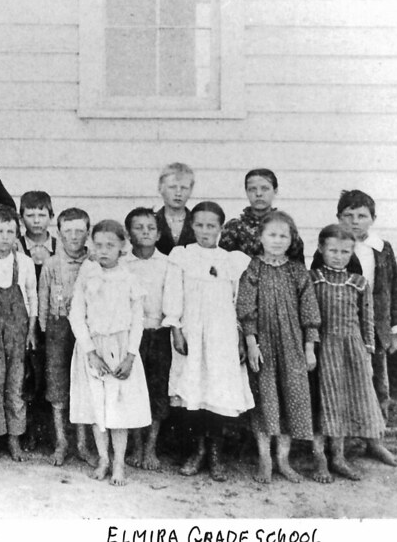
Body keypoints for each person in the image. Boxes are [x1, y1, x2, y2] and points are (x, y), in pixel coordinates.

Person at [164, 201, 254, 481]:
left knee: (216, 393)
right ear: (192, 226)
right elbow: (173, 294)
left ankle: (215, 454)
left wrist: (239, 334)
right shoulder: (181, 256)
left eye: (211, 226)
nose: (205, 231)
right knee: (193, 392)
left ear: (220, 228)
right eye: (200, 225)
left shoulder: (232, 260)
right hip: (191, 331)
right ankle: (197, 451)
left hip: (221, 335)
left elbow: (237, 301)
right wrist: (176, 328)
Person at [236, 211, 322, 484]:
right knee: (266, 402)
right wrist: (251, 344)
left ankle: (283, 461)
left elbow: (309, 312)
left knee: (291, 401)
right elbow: (246, 309)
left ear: (291, 239)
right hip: (263, 346)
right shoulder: (253, 269)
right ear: (260, 238)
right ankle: (265, 459)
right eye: (271, 235)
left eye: (283, 235)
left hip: (293, 346)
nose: (277, 240)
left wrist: (309, 348)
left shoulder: (298, 271)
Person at [309, 224, 396, 479]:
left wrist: (367, 356)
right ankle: (320, 459)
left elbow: (367, 321)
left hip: (351, 351)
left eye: (345, 252)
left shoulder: (358, 283)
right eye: (333, 250)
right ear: (321, 249)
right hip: (322, 350)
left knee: (344, 403)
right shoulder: (312, 279)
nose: (338, 256)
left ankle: (338, 456)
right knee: (322, 403)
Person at [68, 220, 150, 486]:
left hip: (121, 348)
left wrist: (130, 355)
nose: (103, 250)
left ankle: (119, 463)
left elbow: (138, 320)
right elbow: (76, 315)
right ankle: (103, 458)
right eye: (99, 245)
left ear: (122, 247)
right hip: (93, 348)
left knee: (119, 409)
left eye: (110, 245)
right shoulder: (87, 275)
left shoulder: (130, 279)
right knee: (97, 406)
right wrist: (90, 352)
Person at [331, 189, 397, 425]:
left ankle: (377, 435)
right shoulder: (332, 247)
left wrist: (395, 331)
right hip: (344, 326)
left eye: (362, 216)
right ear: (338, 217)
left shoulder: (382, 248)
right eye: (348, 215)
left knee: (379, 381)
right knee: (346, 381)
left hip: (376, 326)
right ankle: (348, 434)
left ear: (373, 219)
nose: (355, 221)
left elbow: (394, 289)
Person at [37, 207, 99, 467]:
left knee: (83, 384)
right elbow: (42, 299)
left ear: (88, 233)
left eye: (79, 231)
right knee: (58, 384)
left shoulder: (95, 263)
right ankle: (62, 441)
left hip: (87, 329)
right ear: (58, 233)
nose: (74, 236)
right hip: (58, 328)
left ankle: (83, 444)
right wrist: (40, 331)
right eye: (68, 231)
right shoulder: (51, 264)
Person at [122, 207, 183, 472]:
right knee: (132, 389)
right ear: (128, 233)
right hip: (129, 335)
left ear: (159, 234)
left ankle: (151, 447)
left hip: (158, 334)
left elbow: (172, 302)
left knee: (157, 390)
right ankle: (136, 445)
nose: (145, 232)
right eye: (138, 227)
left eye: (150, 228)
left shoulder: (168, 264)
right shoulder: (122, 263)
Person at [0, 209, 38, 462]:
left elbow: (32, 296)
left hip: (19, 330)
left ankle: (14, 438)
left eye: (10, 232)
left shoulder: (23, 262)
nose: (5, 237)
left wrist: (32, 330)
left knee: (16, 386)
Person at [17, 190, 56, 449]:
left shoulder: (61, 245)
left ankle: (51, 431)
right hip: (26, 319)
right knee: (29, 375)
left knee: (51, 373)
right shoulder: (16, 244)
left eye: (42, 215)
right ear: (22, 218)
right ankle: (29, 430)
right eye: (30, 215)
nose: (37, 221)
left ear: (51, 216)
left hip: (54, 319)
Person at [220, 168, 305, 263]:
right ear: (246, 192)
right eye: (252, 189)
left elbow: (299, 267)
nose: (258, 194)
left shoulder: (285, 226)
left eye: (265, 189)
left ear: (275, 191)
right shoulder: (234, 228)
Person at [154, 163, 196, 255]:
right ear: (160, 188)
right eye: (172, 187)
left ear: (191, 190)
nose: (178, 193)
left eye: (184, 188)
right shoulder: (151, 222)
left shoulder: (198, 223)